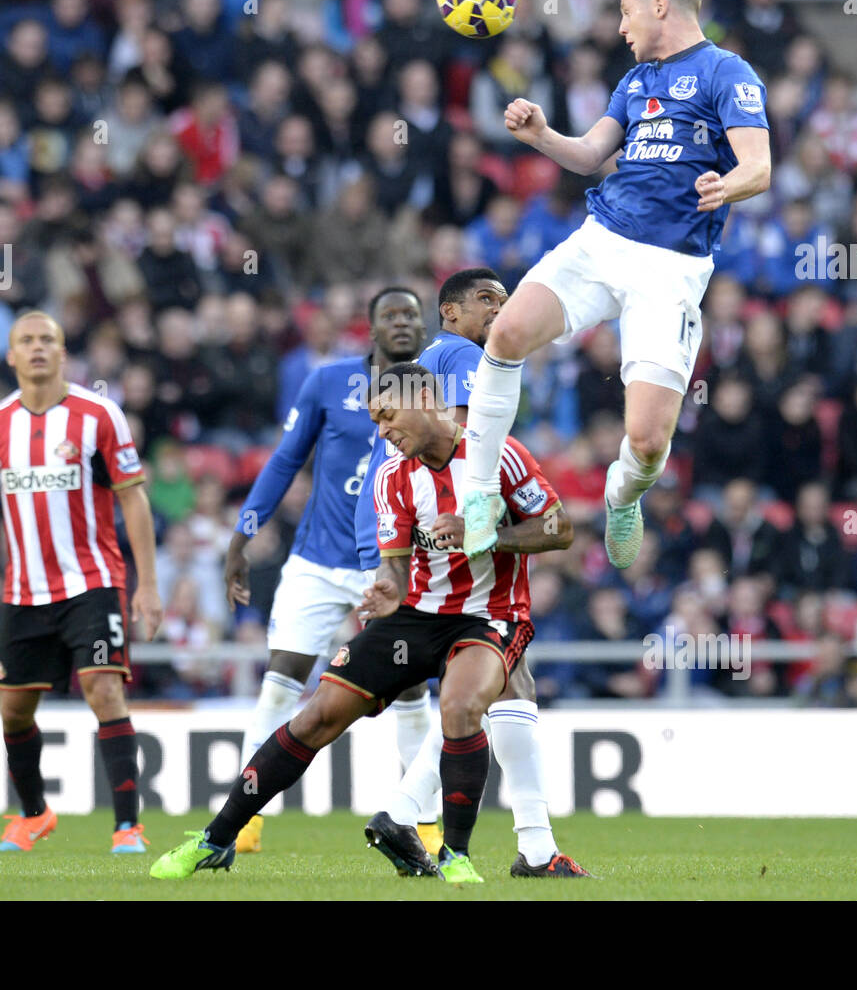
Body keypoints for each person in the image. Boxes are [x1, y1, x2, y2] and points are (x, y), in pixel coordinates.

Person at [150, 362, 578, 884]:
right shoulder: (392, 476)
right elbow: (396, 561)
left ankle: (455, 856)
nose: (381, 432)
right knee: (316, 718)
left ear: (424, 398)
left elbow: (559, 528)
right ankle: (216, 839)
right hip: (415, 618)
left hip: (488, 617)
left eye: (386, 415)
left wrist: (487, 534)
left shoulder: (498, 454)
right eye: (375, 421)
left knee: (462, 706)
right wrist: (386, 587)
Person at [459, 0, 771, 570]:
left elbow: (759, 166)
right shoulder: (633, 81)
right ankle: (478, 492)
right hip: (601, 240)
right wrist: (543, 135)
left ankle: (622, 493)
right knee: (505, 332)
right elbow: (588, 156)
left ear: (660, 6)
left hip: (671, 268)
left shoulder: (725, 71)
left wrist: (725, 187)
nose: (621, 27)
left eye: (627, 13)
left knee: (650, 443)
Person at [353, 268, 588, 875]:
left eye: (506, 301)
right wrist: (492, 517)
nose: (501, 311)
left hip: (408, 532)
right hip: (448, 542)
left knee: (502, 688)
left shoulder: (429, 362)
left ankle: (528, 846)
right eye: (487, 300)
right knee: (484, 688)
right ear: (450, 313)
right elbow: (459, 445)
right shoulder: (458, 356)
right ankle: (416, 815)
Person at [0, 311, 163, 854]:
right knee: (12, 707)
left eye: (48, 340)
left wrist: (146, 585)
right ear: (10, 355)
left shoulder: (99, 415)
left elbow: (133, 497)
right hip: (24, 590)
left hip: (93, 581)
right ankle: (34, 814)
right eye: (26, 341)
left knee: (102, 688)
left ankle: (128, 826)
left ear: (63, 352)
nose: (37, 349)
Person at [222, 287, 429, 854]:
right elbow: (286, 459)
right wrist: (243, 535)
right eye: (391, 315)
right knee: (279, 683)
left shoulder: (436, 386)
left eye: (413, 314)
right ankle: (244, 822)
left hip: (389, 565)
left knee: (410, 689)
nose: (403, 323)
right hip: (316, 560)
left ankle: (426, 825)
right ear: (371, 328)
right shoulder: (329, 382)